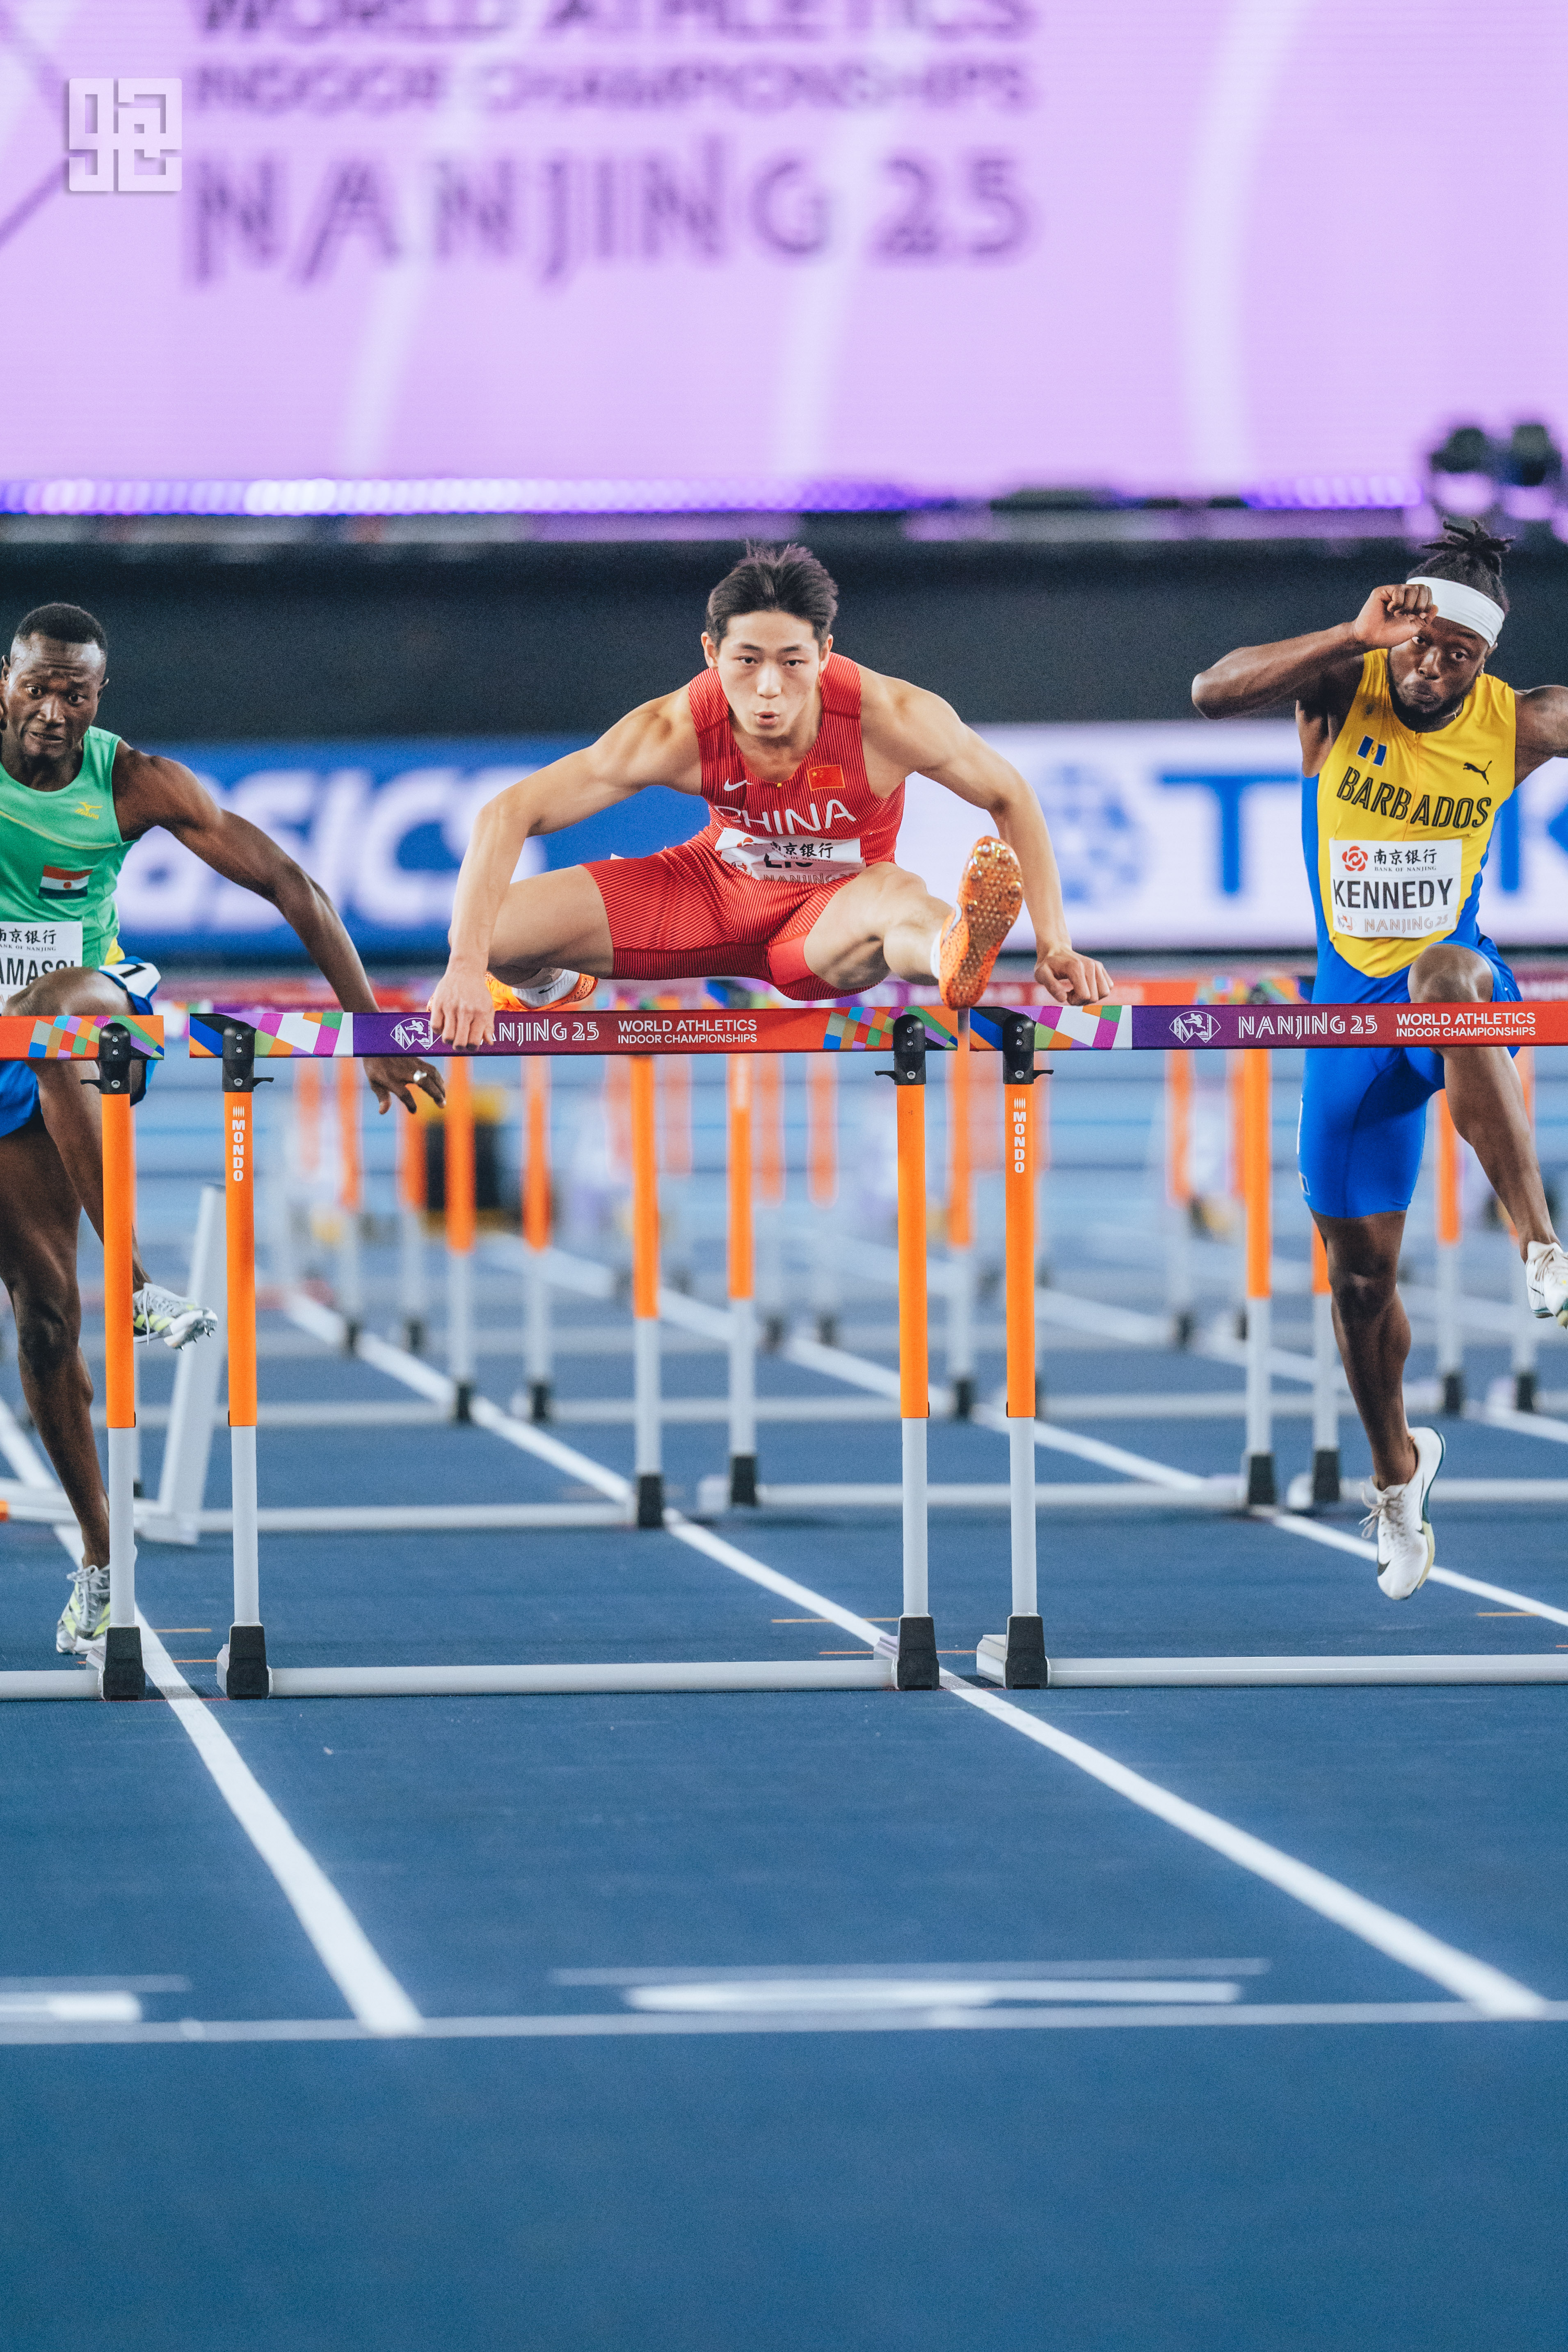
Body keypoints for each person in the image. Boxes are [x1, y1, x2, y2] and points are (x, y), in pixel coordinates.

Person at [0, 603, 443, 1656]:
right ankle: (102, 1562)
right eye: (38, 687)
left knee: (60, 1014)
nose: (54, 711)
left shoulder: (137, 781)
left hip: (82, 1008)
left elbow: (293, 883)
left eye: (76, 693)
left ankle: (143, 1285)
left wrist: (373, 1022)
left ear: (99, 699)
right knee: (48, 1318)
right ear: (4, 680)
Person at [1193, 519, 1568, 1599]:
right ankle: (1395, 1474)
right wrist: (1346, 631)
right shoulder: (1337, 687)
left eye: (1459, 653)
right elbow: (1211, 692)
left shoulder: (1518, 721)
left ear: (1484, 659)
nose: (1432, 665)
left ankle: (1540, 1247)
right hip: (1345, 1027)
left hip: (1451, 997)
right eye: (1419, 641)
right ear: (1395, 622)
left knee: (1444, 972)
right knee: (1358, 1284)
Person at [427, 542, 1110, 1047]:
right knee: (489, 930)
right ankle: (547, 984)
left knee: (896, 896)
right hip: (703, 894)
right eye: (746, 661)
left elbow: (1010, 794)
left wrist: (1054, 944)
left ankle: (950, 952)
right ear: (710, 654)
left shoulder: (891, 718)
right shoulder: (671, 731)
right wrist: (463, 967)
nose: (769, 688)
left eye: (792, 662)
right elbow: (506, 812)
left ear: (824, 653)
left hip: (828, 915)